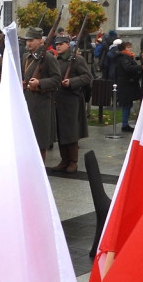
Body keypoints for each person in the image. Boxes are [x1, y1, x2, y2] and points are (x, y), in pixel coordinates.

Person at [52, 33, 92, 173]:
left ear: (68, 44)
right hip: (58, 99)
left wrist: (72, 82)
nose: (58, 46)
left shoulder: (77, 59)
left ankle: (73, 161)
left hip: (71, 100)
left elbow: (87, 77)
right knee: (61, 131)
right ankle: (64, 160)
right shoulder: (55, 60)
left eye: (61, 44)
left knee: (71, 131)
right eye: (57, 44)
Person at [20, 26, 62, 157]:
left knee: (39, 140)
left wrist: (40, 83)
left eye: (31, 40)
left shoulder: (48, 58)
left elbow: (57, 79)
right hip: (27, 101)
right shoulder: (26, 57)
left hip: (41, 104)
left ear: (40, 41)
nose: (28, 43)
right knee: (26, 139)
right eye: (27, 40)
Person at [114, 40, 143, 132]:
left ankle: (125, 124)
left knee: (128, 104)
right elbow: (128, 68)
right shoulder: (123, 58)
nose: (131, 49)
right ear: (124, 49)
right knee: (126, 104)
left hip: (127, 84)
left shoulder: (127, 57)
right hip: (125, 84)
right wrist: (141, 67)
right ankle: (124, 124)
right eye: (128, 47)